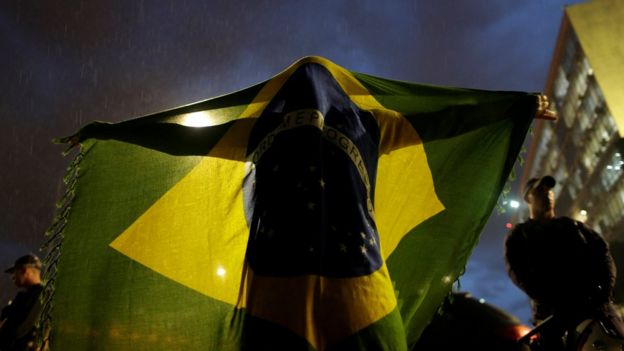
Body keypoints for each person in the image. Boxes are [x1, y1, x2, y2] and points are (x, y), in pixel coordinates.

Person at [504, 175, 621, 350]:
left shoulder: (574, 226)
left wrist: (604, 289)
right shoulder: (520, 235)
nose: (548, 194)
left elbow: (603, 253)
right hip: (555, 318)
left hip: (598, 309)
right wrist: (558, 300)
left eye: (549, 190)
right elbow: (519, 273)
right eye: (540, 190)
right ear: (528, 198)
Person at [0, 254, 44, 351]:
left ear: (24, 271)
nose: (13, 277)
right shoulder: (26, 296)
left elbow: (19, 329)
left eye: (14, 272)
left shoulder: (40, 295)